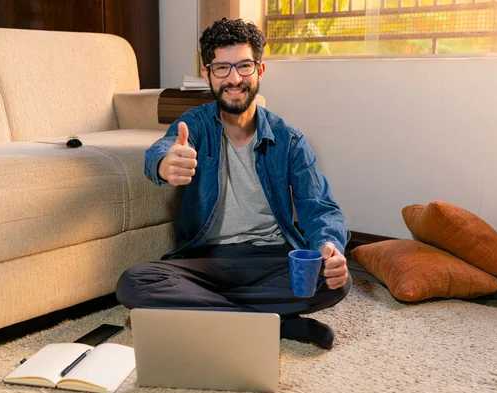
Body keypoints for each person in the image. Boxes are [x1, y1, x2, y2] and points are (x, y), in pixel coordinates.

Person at [116, 18, 351, 349]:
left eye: (244, 66)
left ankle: (217, 315)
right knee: (134, 283)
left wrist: (329, 247)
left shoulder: (289, 140)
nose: (234, 79)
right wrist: (165, 162)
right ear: (207, 73)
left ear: (260, 70)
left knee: (337, 281)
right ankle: (276, 324)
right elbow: (163, 148)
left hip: (272, 259)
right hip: (205, 261)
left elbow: (319, 207)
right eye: (222, 68)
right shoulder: (194, 124)